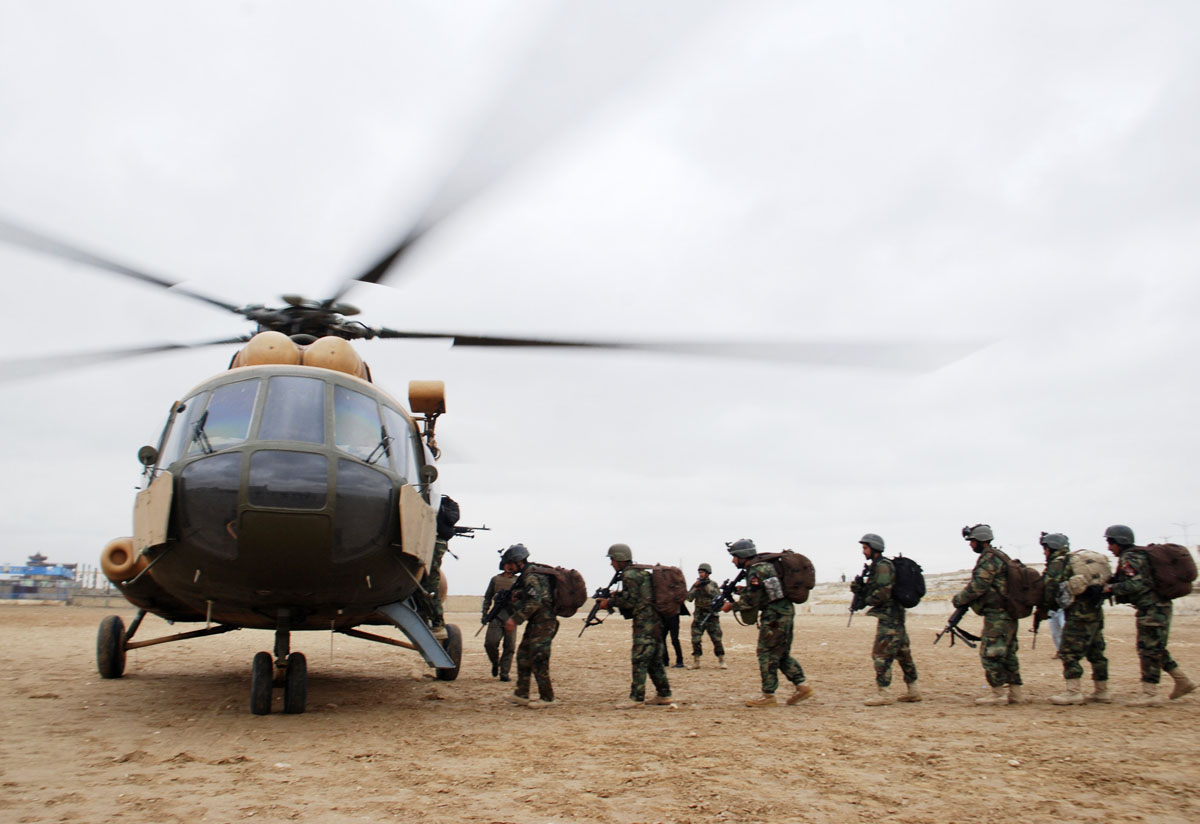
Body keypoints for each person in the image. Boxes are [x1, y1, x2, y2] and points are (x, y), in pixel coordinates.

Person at [1102, 524, 1196, 706]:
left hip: (1153, 609)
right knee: (1155, 647)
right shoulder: (1137, 555)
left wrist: (1110, 588)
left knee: (1148, 650)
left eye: (1110, 543)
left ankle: (1150, 693)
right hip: (1157, 607)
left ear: (1120, 542)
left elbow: (1135, 584)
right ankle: (1182, 681)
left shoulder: (1130, 558)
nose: (1109, 548)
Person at [721, 538, 813, 707]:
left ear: (743, 556)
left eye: (735, 556)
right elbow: (769, 591)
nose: (733, 560)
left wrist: (732, 606)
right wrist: (745, 590)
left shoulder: (756, 570)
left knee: (766, 653)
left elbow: (751, 601)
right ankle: (802, 686)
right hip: (783, 612)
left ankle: (768, 696)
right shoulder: (764, 567)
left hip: (775, 616)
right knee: (781, 653)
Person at [595, 543, 675, 709]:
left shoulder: (629, 575)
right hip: (656, 621)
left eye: (612, 560)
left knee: (639, 658)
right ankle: (664, 694)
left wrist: (609, 602)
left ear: (619, 559)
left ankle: (637, 698)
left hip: (645, 623)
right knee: (654, 660)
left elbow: (632, 601)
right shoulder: (640, 573)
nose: (611, 564)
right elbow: (639, 595)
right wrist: (617, 596)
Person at [951, 524, 1024, 705]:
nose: (970, 545)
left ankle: (997, 694)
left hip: (997, 615)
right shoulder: (1001, 556)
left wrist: (959, 599)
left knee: (990, 652)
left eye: (972, 541)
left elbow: (978, 586)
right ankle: (1016, 693)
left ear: (980, 541)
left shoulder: (989, 559)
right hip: (1009, 613)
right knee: (1008, 653)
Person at [1038, 533, 1110, 704]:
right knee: (1096, 652)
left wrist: (1044, 607)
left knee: (1069, 652)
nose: (1044, 553)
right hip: (1095, 612)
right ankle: (1102, 691)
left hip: (1077, 614)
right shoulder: (1077, 561)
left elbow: (1050, 589)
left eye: (1045, 549)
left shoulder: (1058, 564)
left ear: (1050, 548)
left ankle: (1073, 691)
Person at [853, 533, 920, 705]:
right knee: (903, 653)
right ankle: (913, 690)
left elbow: (883, 592)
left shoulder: (882, 566)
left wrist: (866, 599)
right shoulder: (878, 566)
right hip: (896, 615)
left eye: (865, 548)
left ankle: (884, 693)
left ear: (874, 548)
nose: (863, 551)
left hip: (889, 617)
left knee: (881, 654)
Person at [500, 544, 558, 708]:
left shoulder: (531, 576)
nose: (508, 568)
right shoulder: (527, 575)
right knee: (523, 655)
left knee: (539, 658)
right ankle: (521, 693)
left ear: (518, 561)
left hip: (544, 622)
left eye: (509, 563)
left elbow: (535, 601)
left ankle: (547, 698)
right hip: (536, 622)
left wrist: (514, 620)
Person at [418, 495, 460, 639]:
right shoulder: (440, 505)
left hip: (432, 543)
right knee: (429, 583)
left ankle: (438, 624)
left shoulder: (432, 503)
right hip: (437, 543)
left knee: (429, 585)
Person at [481, 560, 517, 682]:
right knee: (490, 643)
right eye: (507, 564)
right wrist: (485, 613)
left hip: (511, 617)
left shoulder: (518, 581)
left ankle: (504, 672)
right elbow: (487, 597)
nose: (509, 567)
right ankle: (495, 663)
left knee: (509, 646)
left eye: (512, 564)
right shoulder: (495, 579)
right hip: (496, 616)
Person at [686, 563, 726, 669]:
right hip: (699, 616)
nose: (701, 574)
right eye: (699, 572)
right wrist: (696, 587)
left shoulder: (713, 584)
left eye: (702, 572)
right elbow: (689, 598)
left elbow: (717, 597)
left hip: (711, 615)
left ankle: (721, 660)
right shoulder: (696, 585)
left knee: (716, 639)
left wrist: (706, 586)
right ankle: (696, 662)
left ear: (708, 573)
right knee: (696, 639)